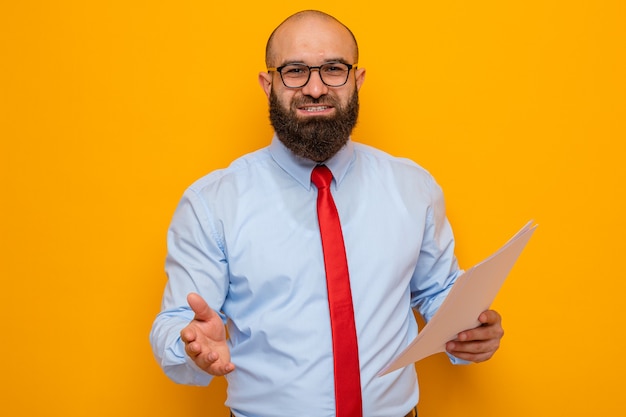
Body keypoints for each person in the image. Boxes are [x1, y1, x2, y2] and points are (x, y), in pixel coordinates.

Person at [150, 9, 504, 417]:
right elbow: (174, 321)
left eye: (334, 69)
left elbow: (436, 291)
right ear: (268, 85)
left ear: (357, 80)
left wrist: (469, 331)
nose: (316, 88)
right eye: (295, 70)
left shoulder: (413, 187)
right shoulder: (212, 203)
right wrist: (190, 344)